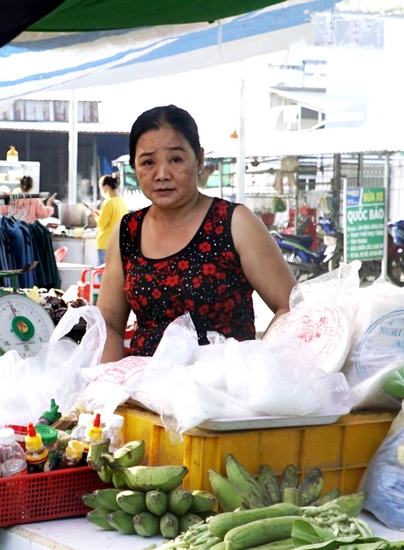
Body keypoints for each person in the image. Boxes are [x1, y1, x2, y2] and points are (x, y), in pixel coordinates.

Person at [96, 105, 296, 363]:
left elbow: (291, 307)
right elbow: (109, 325)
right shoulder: (127, 232)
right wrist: (112, 390)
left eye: (176, 159)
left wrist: (254, 367)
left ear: (199, 158)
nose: (162, 174)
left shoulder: (235, 223)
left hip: (223, 395)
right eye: (148, 162)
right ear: (134, 166)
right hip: (145, 395)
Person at [86, 172, 128, 266]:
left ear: (106, 187)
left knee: (103, 273)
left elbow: (102, 223)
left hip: (105, 243)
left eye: (101, 188)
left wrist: (93, 215)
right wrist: (97, 212)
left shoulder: (108, 202)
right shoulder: (121, 201)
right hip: (118, 242)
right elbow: (113, 217)